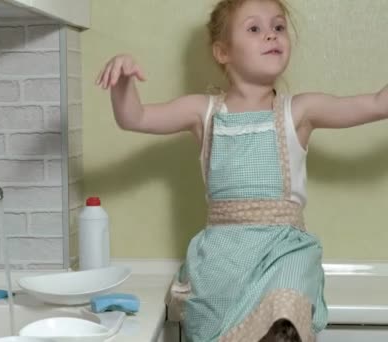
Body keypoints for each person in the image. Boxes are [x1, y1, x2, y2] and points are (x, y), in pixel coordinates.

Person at [95, 0, 388, 341]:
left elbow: (377, 104)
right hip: (222, 255)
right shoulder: (203, 112)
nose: (271, 36)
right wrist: (123, 82)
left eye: (278, 27)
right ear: (223, 52)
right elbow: (136, 118)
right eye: (254, 29)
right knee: (215, 319)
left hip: (282, 247)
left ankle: (283, 332)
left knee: (288, 296)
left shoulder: (299, 111)